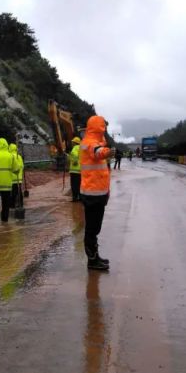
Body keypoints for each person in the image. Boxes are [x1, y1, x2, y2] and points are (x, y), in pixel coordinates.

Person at [80, 115, 114, 270]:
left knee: (95, 228)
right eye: (103, 127)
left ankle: (95, 256)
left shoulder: (95, 141)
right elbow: (97, 152)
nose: (104, 130)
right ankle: (92, 260)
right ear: (98, 128)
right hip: (92, 194)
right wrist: (108, 151)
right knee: (92, 229)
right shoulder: (89, 142)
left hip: (98, 193)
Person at [9, 143, 24, 208]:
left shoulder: (10, 156)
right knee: (19, 191)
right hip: (19, 178)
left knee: (12, 192)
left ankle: (12, 204)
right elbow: (22, 166)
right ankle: (21, 203)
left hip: (12, 178)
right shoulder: (19, 156)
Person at [69, 136, 82, 202]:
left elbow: (74, 155)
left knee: (74, 185)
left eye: (73, 142)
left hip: (74, 170)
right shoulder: (82, 148)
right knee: (80, 184)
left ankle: (74, 197)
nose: (72, 143)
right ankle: (80, 197)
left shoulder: (75, 148)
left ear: (74, 143)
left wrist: (74, 161)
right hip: (81, 170)